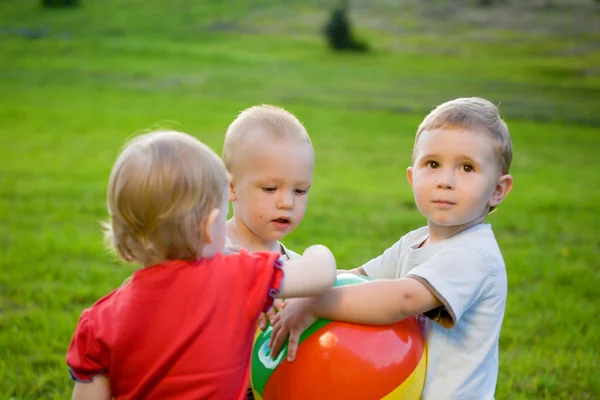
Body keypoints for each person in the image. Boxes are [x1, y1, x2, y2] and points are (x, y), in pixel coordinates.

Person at [269, 97, 514, 399]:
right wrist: (290, 289)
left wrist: (316, 304)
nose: (445, 181)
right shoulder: (415, 241)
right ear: (412, 177)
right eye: (432, 164)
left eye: (467, 167)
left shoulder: (475, 254)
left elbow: (403, 298)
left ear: (498, 190)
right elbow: (356, 278)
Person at [65, 130, 336, 400]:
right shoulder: (237, 276)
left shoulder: (97, 322)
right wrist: (318, 251)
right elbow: (321, 274)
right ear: (209, 226)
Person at [222, 104, 315, 399]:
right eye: (271, 188)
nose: (287, 202)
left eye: (299, 191)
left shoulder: (297, 269)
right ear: (231, 187)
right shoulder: (207, 253)